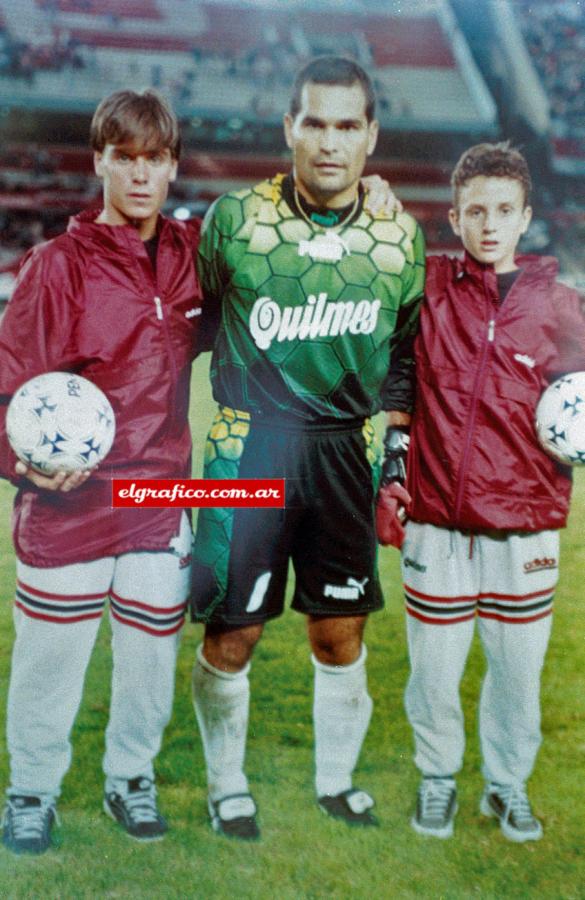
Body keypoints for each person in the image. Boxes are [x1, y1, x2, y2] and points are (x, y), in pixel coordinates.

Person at [190, 56, 425, 840]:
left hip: (341, 456)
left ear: (370, 136)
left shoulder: (399, 237)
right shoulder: (234, 221)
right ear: (289, 127)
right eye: (314, 122)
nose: (329, 141)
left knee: (339, 629)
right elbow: (194, 323)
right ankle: (226, 786)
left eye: (346, 124)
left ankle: (335, 781)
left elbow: (404, 355)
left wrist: (392, 451)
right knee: (234, 630)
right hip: (247, 448)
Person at [0, 89, 202, 854]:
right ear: (100, 162)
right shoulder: (55, 267)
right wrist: (21, 465)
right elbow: (5, 391)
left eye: (155, 160)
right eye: (126, 158)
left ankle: (130, 779)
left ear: (173, 166)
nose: (141, 175)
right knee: (50, 666)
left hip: (158, 500)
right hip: (68, 508)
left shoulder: (191, 258)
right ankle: (31, 792)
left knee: (150, 663)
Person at [377, 142, 585, 843]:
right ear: (454, 218)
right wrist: (394, 454)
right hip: (437, 519)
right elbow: (398, 374)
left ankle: (506, 787)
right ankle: (436, 780)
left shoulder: (560, 306)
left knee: (516, 675)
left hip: (525, 524)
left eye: (502, 210)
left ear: (524, 216)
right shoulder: (428, 287)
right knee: (432, 673)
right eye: (474, 211)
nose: (488, 223)